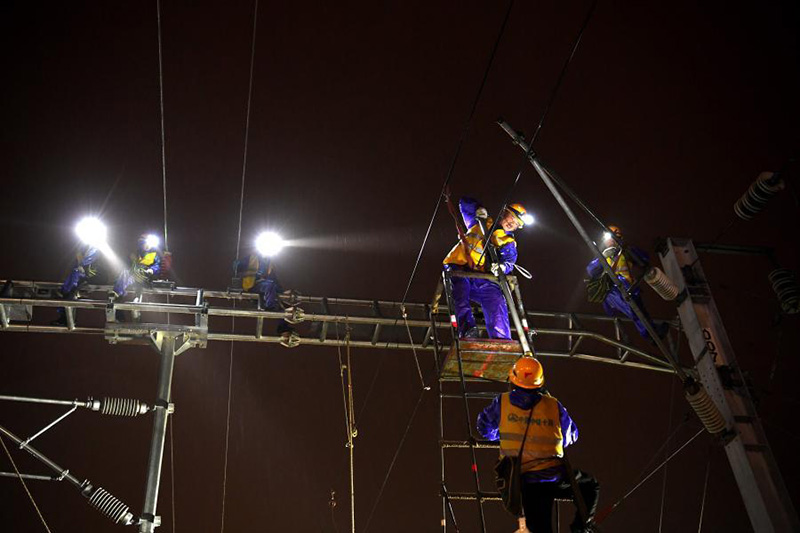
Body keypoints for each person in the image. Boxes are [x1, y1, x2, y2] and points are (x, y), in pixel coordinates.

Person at [478, 357, 599, 533]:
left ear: (513, 379)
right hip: (555, 476)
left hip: (523, 481)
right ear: (539, 382)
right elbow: (571, 436)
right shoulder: (553, 405)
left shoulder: (502, 402)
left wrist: (505, 432)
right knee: (590, 486)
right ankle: (580, 529)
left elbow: (484, 428)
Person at [442, 197, 529, 339]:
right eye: (511, 217)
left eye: (516, 223)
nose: (511, 223)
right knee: (460, 293)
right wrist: (478, 209)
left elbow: (509, 261)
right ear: (503, 214)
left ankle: (501, 339)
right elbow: (464, 203)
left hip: (482, 277)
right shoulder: (481, 222)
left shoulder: (508, 242)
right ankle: (468, 331)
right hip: (458, 266)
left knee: (496, 299)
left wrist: (501, 266)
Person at [585, 226, 667, 340]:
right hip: (613, 291)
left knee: (640, 310)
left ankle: (652, 333)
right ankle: (649, 334)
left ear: (617, 238)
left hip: (629, 288)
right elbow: (590, 270)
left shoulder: (625, 252)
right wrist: (603, 256)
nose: (607, 241)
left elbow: (644, 258)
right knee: (634, 310)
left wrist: (627, 249)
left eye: (609, 238)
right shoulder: (603, 256)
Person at [234, 252, 300, 348]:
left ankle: (284, 329)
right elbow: (236, 266)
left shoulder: (270, 263)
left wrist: (284, 295)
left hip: (266, 287)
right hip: (253, 286)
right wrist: (244, 270)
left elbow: (273, 279)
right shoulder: (252, 257)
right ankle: (270, 307)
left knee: (282, 302)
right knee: (269, 286)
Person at [51, 245, 100, 326]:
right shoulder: (84, 247)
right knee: (67, 290)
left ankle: (65, 317)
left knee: (70, 290)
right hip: (80, 274)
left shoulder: (95, 250)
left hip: (88, 276)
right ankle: (64, 316)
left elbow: (91, 266)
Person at [111, 233, 162, 299]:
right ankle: (117, 293)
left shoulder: (154, 255)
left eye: (149, 244)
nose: (147, 246)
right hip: (134, 277)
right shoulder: (135, 255)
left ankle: (119, 293)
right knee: (126, 273)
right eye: (145, 244)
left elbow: (157, 266)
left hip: (146, 277)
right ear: (141, 244)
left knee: (136, 272)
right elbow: (126, 267)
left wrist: (151, 270)